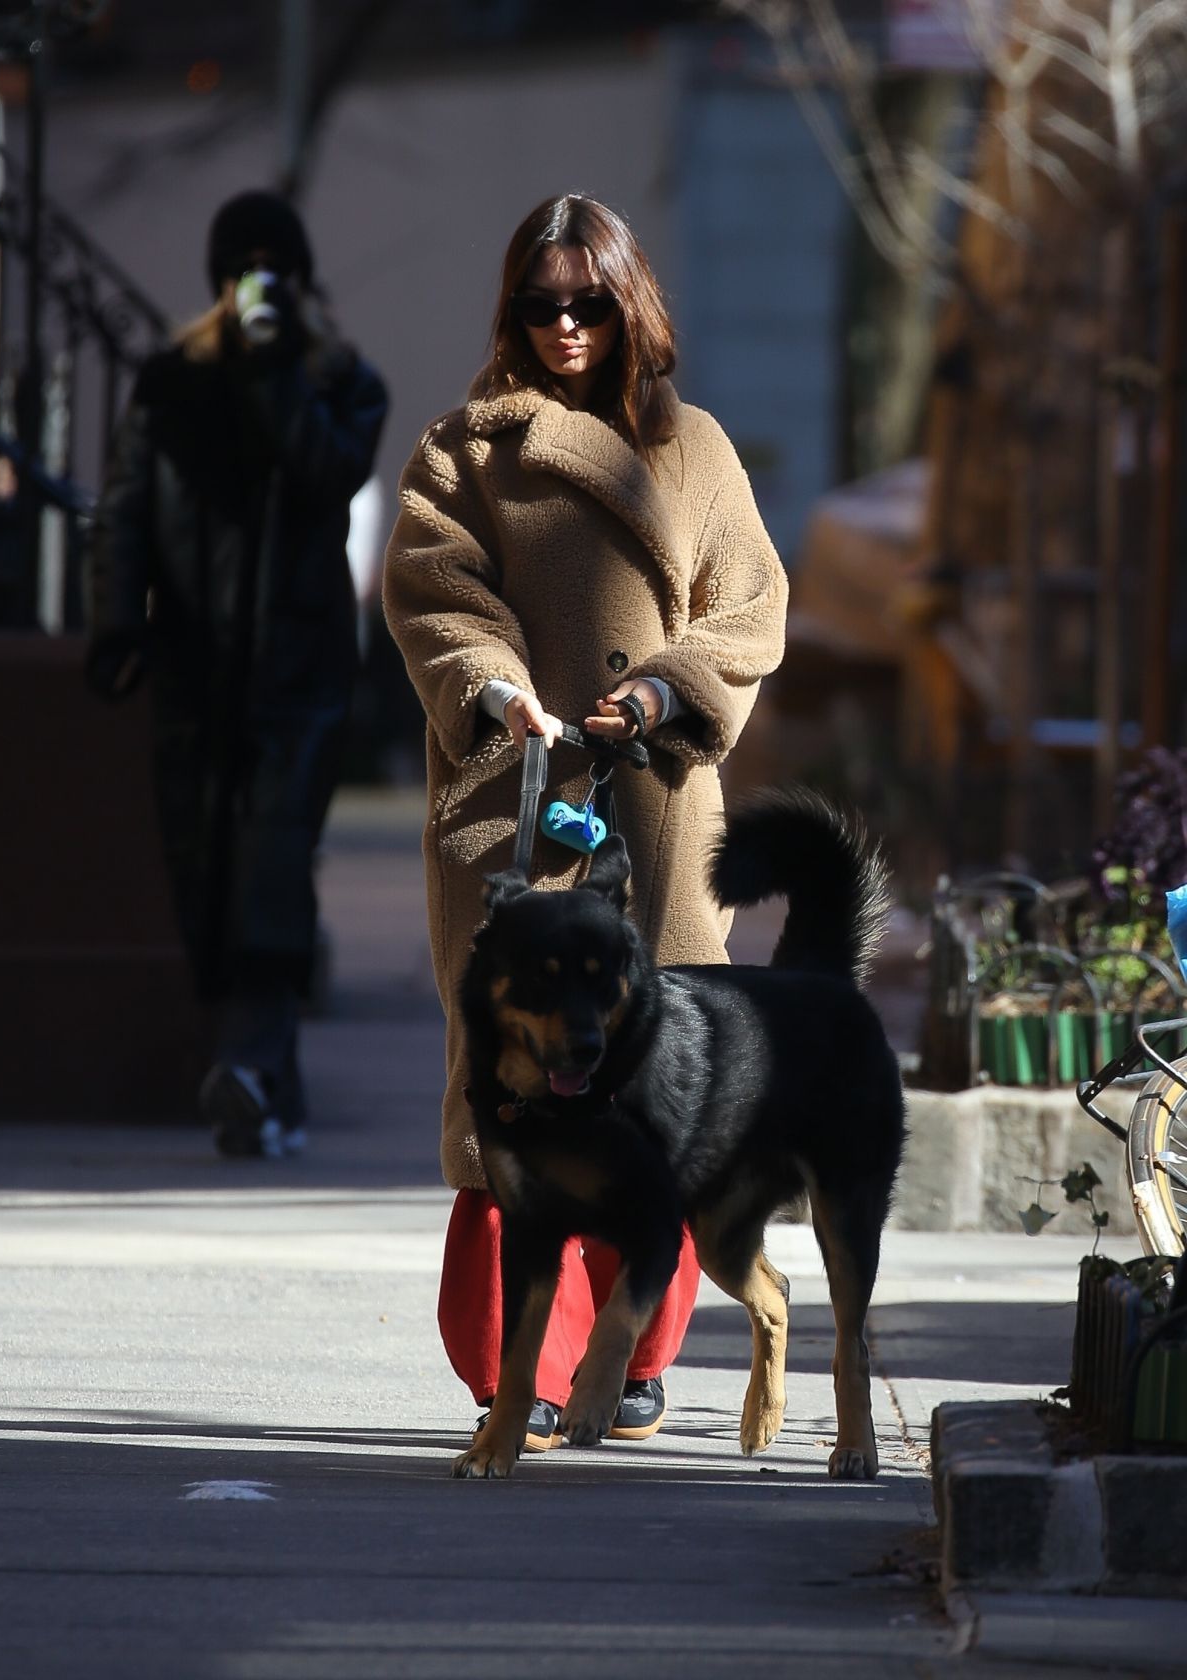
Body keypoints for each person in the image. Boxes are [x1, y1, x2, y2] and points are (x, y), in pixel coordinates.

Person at [382, 193, 787, 1447]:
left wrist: (663, 686)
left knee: (654, 1078)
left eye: (590, 301)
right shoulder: (465, 448)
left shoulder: (697, 449)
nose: (565, 325)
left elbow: (752, 604)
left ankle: (639, 1356)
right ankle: (524, 1370)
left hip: (657, 801)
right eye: (541, 303)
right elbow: (431, 585)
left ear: (631, 305)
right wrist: (501, 693)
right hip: (517, 804)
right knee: (512, 1080)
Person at [86, 189, 388, 1159]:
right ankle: (267, 1094)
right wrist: (113, 624)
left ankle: (250, 1068)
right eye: (244, 272)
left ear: (301, 284)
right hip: (194, 671)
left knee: (270, 869)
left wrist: (276, 376)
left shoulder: (343, 383)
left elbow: (326, 472)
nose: (260, 289)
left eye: (277, 272)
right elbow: (124, 511)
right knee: (207, 880)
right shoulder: (172, 383)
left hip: (299, 675)